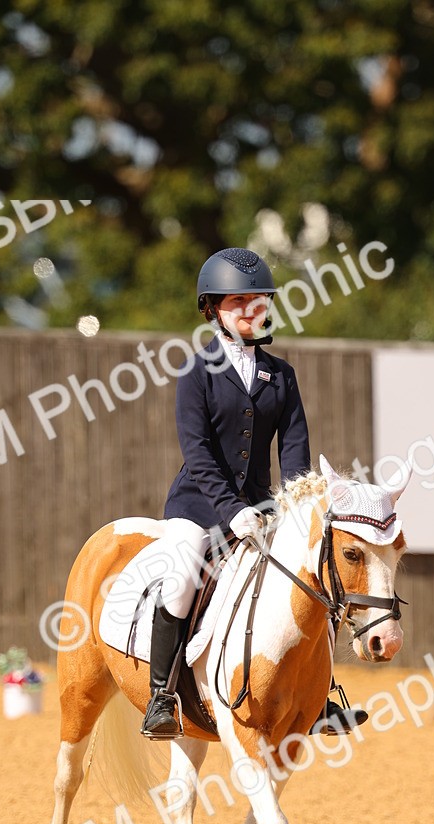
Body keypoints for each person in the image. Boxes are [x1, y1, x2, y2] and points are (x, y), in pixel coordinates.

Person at [141, 246, 350, 739]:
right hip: (198, 505)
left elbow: (295, 451)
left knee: (315, 575)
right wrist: (230, 508)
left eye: (258, 301)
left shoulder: (281, 375)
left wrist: (296, 510)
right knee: (182, 576)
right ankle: (161, 697)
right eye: (238, 301)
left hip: (263, 509)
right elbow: (197, 452)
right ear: (213, 308)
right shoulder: (197, 371)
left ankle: (320, 695)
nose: (250, 310)